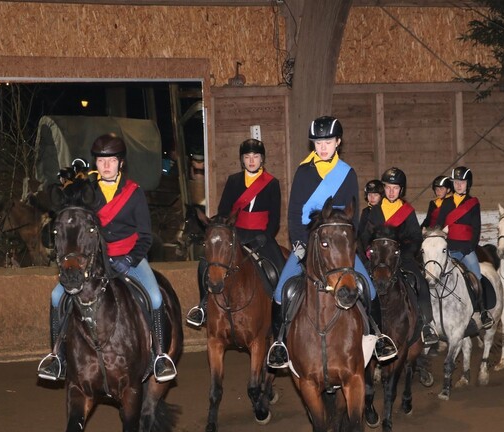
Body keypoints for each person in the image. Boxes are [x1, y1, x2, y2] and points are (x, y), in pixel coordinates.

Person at [37, 133, 177, 383]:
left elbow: (145, 236)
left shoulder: (134, 193)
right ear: (95, 164)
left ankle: (159, 355)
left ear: (120, 163)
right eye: (101, 161)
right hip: (93, 260)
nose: (106, 166)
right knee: (57, 295)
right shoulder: (85, 192)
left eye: (111, 161)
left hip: (129, 257)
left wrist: (130, 260)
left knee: (155, 297)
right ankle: (57, 356)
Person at [267, 116, 397, 369]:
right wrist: (300, 245)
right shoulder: (303, 172)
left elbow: (354, 217)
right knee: (280, 292)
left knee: (368, 289)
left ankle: (379, 337)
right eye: (318, 142)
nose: (322, 146)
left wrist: (348, 249)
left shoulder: (347, 174)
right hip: (308, 241)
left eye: (327, 141)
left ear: (338, 142)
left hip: (339, 246)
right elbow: (294, 213)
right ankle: (280, 343)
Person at [186, 139, 284, 326]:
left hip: (261, 236)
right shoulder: (233, 181)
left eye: (255, 157)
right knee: (205, 264)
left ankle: (278, 318)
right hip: (235, 235)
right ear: (242, 160)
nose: (251, 160)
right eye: (247, 157)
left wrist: (267, 235)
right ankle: (203, 306)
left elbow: (275, 217)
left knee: (280, 268)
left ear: (262, 159)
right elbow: (224, 211)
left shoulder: (272, 183)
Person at [359, 167, 439, 346]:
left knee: (421, 284)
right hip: (378, 261)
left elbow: (416, 237)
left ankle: (427, 324)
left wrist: (405, 254)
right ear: (384, 188)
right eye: (388, 187)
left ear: (401, 190)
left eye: (395, 188)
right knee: (360, 284)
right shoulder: (375, 211)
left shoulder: (407, 211)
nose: (391, 191)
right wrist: (368, 253)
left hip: (401, 259)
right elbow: (364, 237)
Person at [436, 166, 492, 329]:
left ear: (468, 184)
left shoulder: (473, 203)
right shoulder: (446, 203)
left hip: (466, 249)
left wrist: (471, 247)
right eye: (456, 182)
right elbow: (439, 225)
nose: (459, 185)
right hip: (449, 248)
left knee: (476, 275)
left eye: (462, 182)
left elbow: (476, 228)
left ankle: (482, 310)